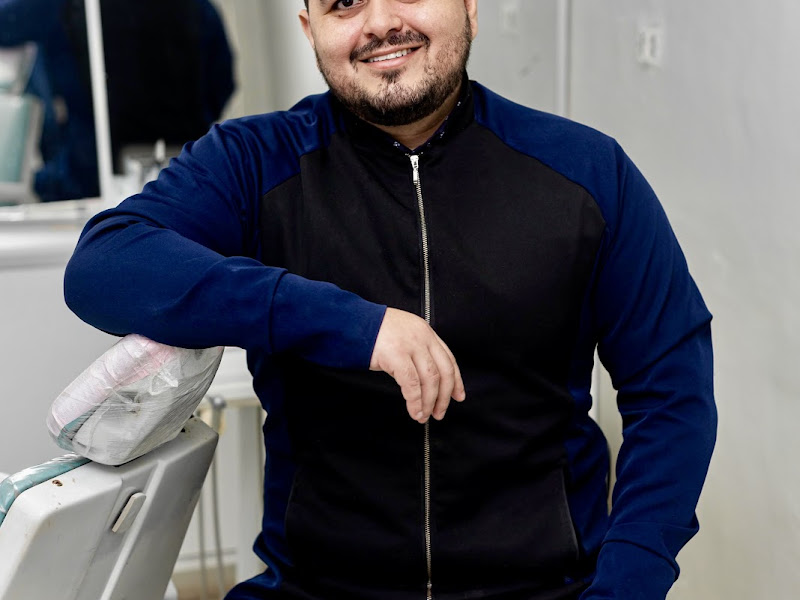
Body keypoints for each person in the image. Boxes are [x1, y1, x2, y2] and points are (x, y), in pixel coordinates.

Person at [63, 1, 717, 599]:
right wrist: (349, 323)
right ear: (310, 29)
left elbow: (671, 392)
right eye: (344, 4)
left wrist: (628, 582)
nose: (379, 23)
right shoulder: (252, 162)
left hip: (544, 589)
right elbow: (105, 264)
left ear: (470, 9)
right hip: (315, 590)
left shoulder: (588, 173)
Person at [0, 0, 234, 201]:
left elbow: (6, 22)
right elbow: (223, 82)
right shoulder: (198, 6)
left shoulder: (61, 4)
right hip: (184, 169)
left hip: (86, 176)